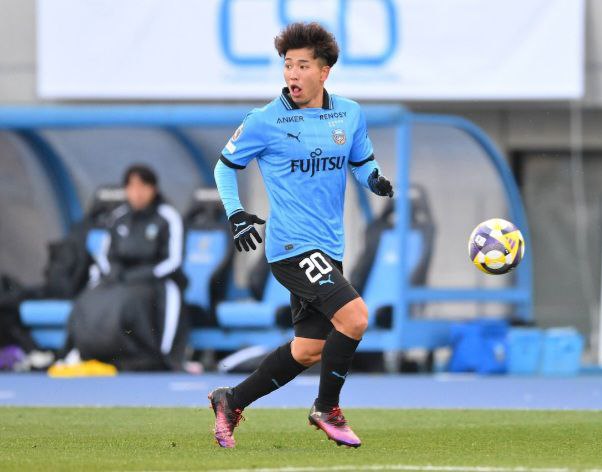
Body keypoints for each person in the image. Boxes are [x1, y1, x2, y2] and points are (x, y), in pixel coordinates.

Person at [209, 22, 394, 448]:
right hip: (291, 247)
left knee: (309, 349)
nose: (292, 73)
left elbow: (361, 162)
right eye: (288, 65)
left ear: (324, 72)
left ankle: (231, 400)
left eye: (302, 65)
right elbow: (224, 167)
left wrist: (374, 179)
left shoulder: (349, 114)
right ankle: (326, 408)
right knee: (355, 317)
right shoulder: (264, 120)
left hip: (329, 246)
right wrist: (235, 213)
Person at [61, 165, 187, 371]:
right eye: (132, 187)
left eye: (143, 186)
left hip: (153, 280)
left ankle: (147, 356)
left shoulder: (167, 216)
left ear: (153, 189)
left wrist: (139, 275)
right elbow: (106, 254)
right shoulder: (118, 216)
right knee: (88, 298)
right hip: (119, 280)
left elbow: (173, 260)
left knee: (128, 302)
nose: (137, 193)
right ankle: (82, 351)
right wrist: (114, 273)